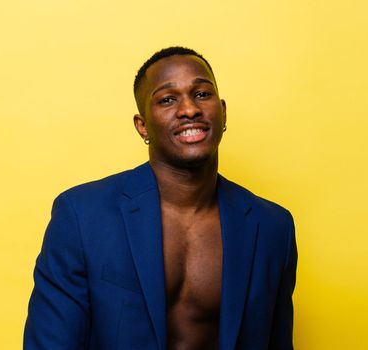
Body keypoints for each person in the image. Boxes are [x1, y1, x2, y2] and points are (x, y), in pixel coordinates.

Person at [24, 46, 297, 350]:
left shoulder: (273, 228)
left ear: (223, 112)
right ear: (143, 127)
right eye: (167, 99)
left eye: (202, 94)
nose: (189, 109)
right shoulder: (82, 216)